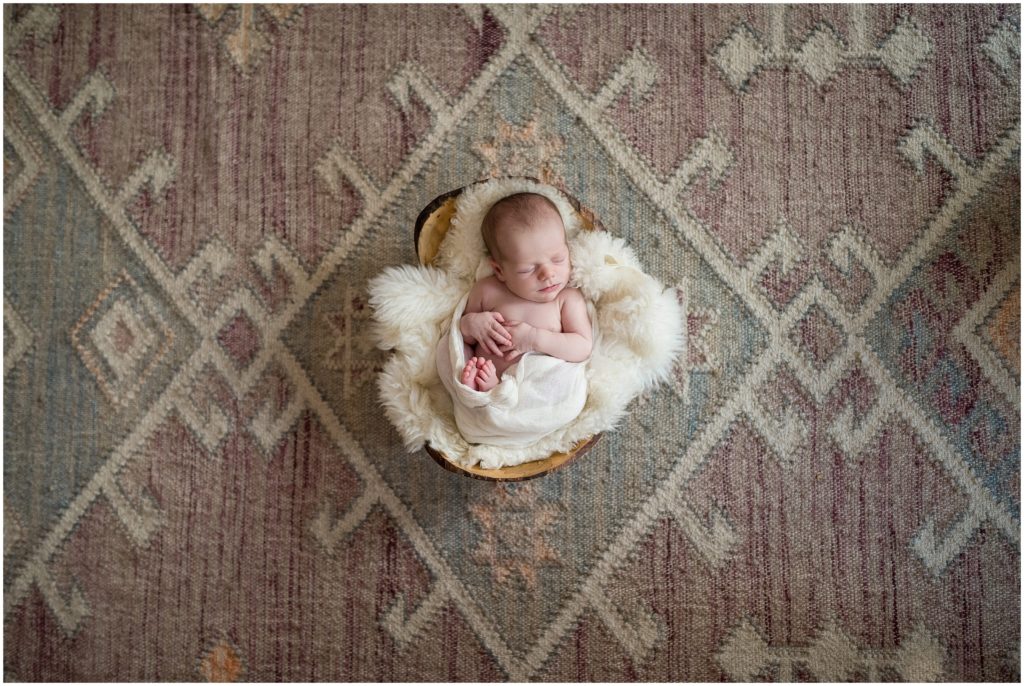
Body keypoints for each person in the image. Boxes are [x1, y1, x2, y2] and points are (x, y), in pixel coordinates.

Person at [457, 192, 593, 392]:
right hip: (490, 382)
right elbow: (464, 339)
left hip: (540, 390)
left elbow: (582, 347)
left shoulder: (567, 298)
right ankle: (487, 392)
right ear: (499, 270)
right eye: (528, 269)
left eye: (558, 259)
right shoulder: (487, 290)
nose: (548, 274)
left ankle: (506, 396)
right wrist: (472, 324)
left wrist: (536, 339)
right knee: (462, 366)